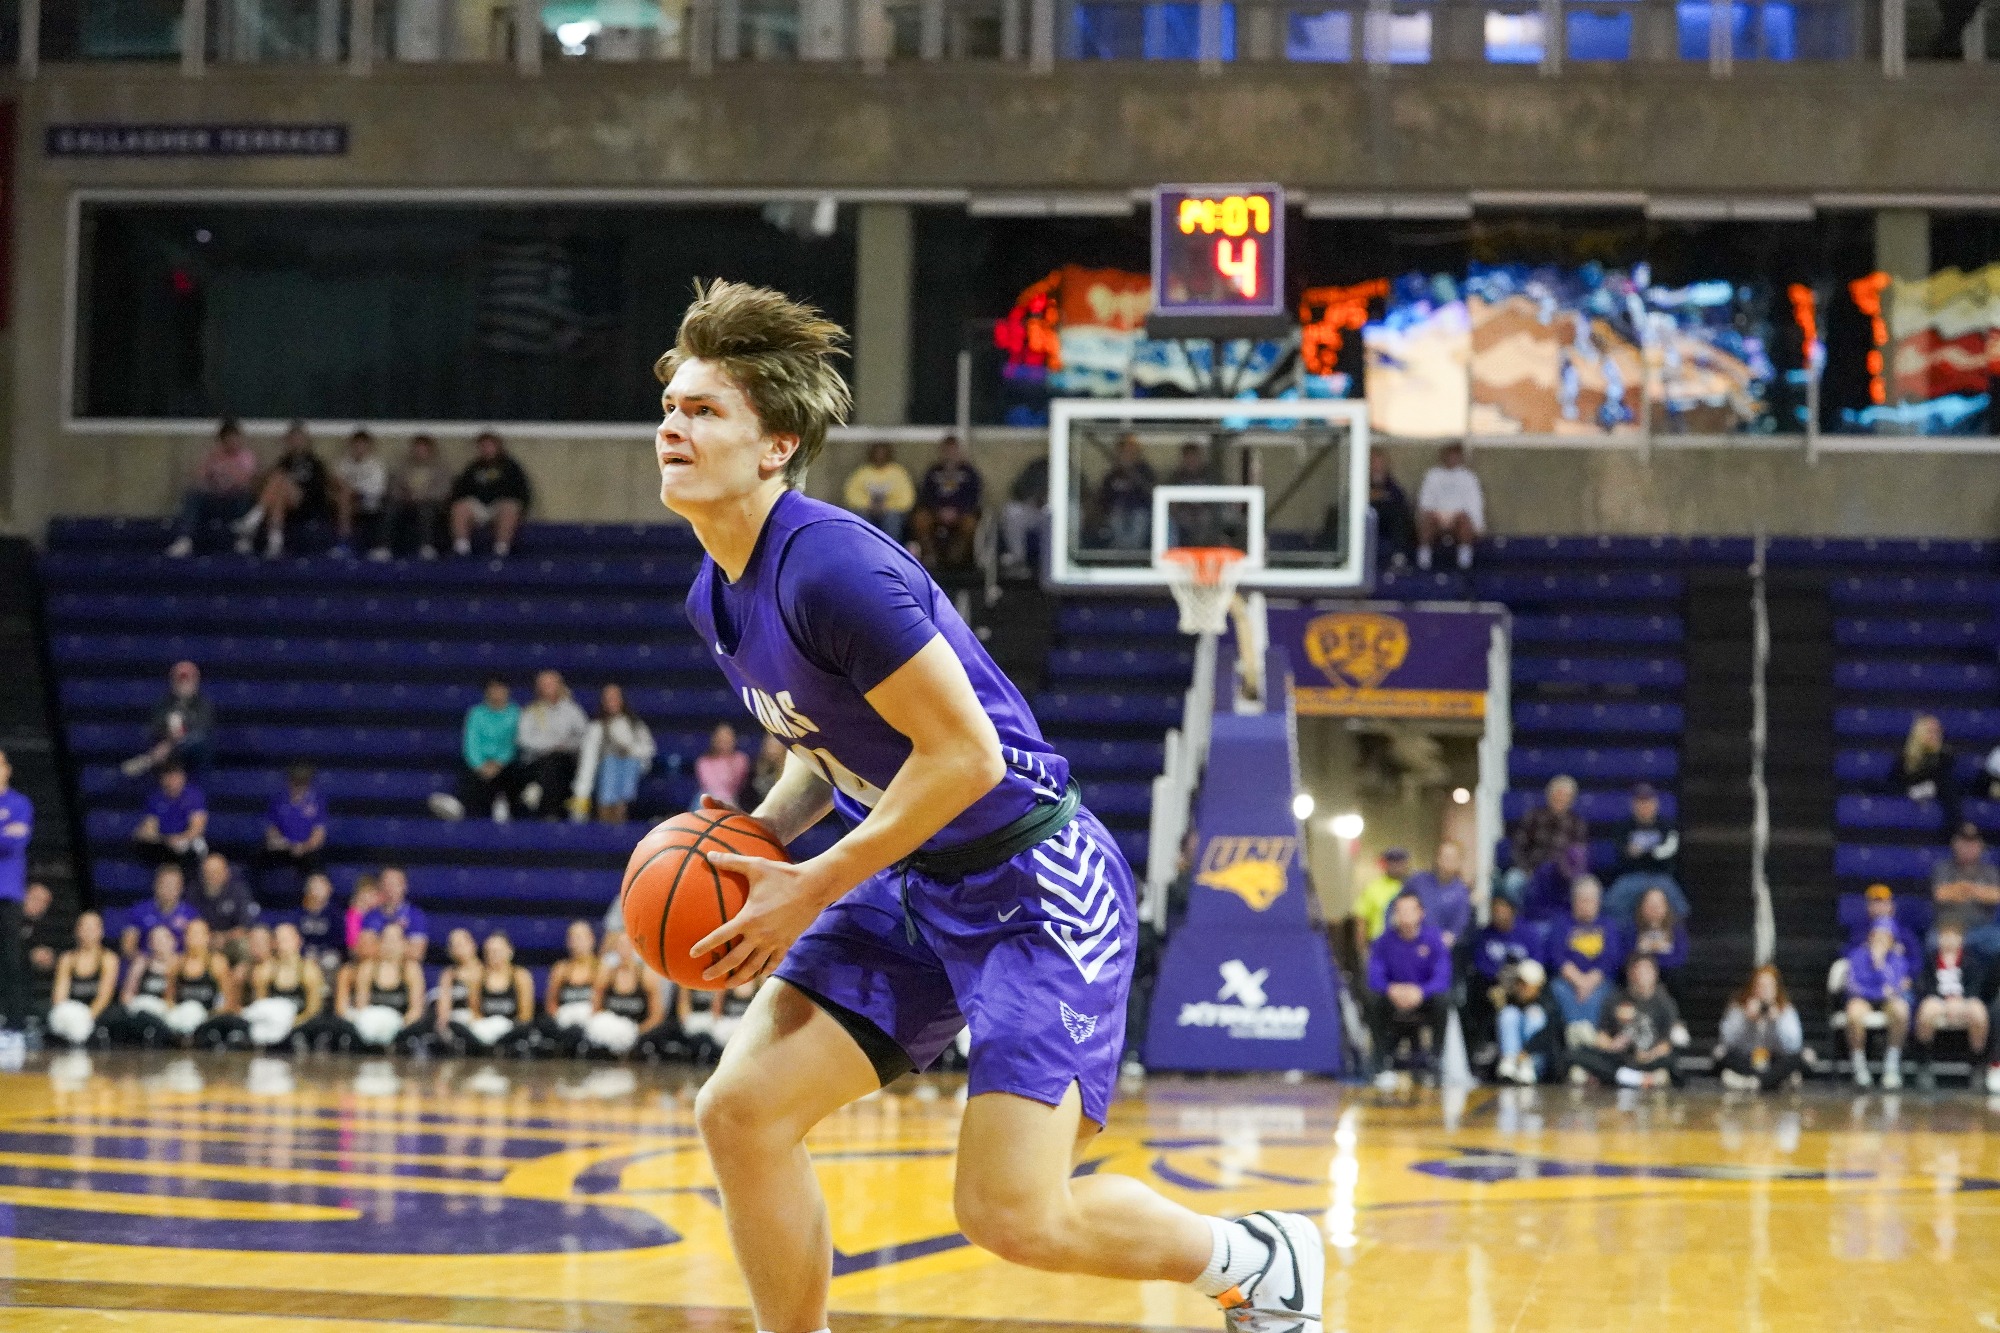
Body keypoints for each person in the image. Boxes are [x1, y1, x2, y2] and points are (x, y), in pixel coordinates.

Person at [652, 280, 1321, 1331]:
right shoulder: (713, 592)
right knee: (739, 1111)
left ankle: (1253, 1257)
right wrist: (758, 842)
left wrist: (812, 883)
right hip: (916, 874)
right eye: (670, 408)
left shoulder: (829, 567)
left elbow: (961, 758)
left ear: (774, 446)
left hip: (1033, 879)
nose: (672, 427)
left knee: (1010, 1213)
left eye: (702, 411)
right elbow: (826, 749)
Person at [1365, 893, 1452, 1084]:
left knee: (1443, 999)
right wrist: (1391, 989)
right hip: (1393, 998)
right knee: (1372, 998)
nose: (1403, 915)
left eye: (1408, 910)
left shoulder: (1433, 939)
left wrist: (1421, 991)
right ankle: (1379, 1059)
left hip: (1422, 999)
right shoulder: (1383, 942)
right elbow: (1374, 976)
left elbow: (1442, 977)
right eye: (1399, 911)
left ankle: (1435, 1059)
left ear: (1421, 913)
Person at [1570, 954, 1682, 1089]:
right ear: (1629, 973)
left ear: (1655, 973)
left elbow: (1667, 1043)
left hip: (1648, 1058)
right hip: (1619, 1058)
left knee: (1671, 1060)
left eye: (1646, 970)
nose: (1641, 976)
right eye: (1637, 970)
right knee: (1576, 1055)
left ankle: (1620, 1077)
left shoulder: (1664, 1003)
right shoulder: (1615, 999)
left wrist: (1648, 1055)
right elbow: (1602, 1034)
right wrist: (1611, 1045)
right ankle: (1634, 1079)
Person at [233, 421, 332, 559]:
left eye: (299, 439)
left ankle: (253, 518)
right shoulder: (284, 461)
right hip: (286, 503)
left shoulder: (315, 462)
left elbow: (319, 488)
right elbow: (267, 481)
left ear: (306, 441)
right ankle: (275, 543)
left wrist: (295, 488)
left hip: (306, 502)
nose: (296, 442)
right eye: (293, 439)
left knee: (280, 478)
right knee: (278, 496)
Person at [432, 679, 525, 822]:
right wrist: (479, 765)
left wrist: (499, 763)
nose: (496, 693)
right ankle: (461, 809)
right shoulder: (476, 713)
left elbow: (515, 742)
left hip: (506, 764)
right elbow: (471, 743)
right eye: (493, 689)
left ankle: (506, 810)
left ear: (507, 691)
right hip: (481, 764)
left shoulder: (517, 713)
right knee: (473, 777)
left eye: (500, 689)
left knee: (512, 776)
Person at [166, 418, 261, 557]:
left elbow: (245, 481)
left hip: (235, 501)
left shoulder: (247, 456)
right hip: (215, 498)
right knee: (193, 495)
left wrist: (228, 466)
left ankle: (243, 540)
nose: (233, 443)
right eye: (229, 439)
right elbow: (199, 478)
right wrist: (211, 468)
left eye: (235, 438)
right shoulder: (213, 455)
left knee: (246, 496)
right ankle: (184, 540)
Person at [1544, 876, 1623, 1041]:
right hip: (1567, 981)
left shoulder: (1608, 925)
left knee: (1599, 996)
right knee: (1558, 989)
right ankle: (1578, 1038)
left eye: (1592, 900)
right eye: (1583, 900)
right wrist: (1579, 981)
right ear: (1574, 901)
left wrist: (1589, 982)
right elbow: (1557, 956)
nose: (1588, 905)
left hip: (1600, 982)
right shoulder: (1562, 923)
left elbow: (1611, 959)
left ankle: (1587, 1039)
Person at [1913, 922, 1988, 1087]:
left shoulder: (1971, 960)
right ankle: (1924, 1064)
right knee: (1926, 1010)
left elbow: (1976, 986)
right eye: (1945, 937)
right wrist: (1945, 1001)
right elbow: (1924, 986)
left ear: (1961, 939)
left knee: (1979, 1012)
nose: (1949, 941)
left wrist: (1960, 1000)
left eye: (1953, 937)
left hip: (1964, 1001)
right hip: (1938, 1000)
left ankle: (1977, 1065)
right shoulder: (1931, 960)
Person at [1465, 894, 1534, 1067]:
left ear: (1512, 911)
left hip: (1523, 987)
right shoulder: (1484, 935)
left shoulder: (1528, 933)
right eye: (1495, 910)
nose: (1499, 914)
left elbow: (1536, 965)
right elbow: (1480, 966)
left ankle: (1529, 1057)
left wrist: (1516, 981)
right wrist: (1500, 979)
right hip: (1494, 987)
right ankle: (1484, 1045)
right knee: (1479, 990)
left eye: (1503, 909)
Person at [1844, 920, 1914, 1089]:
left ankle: (1891, 1066)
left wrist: (1881, 966)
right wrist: (1880, 992)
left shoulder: (1897, 960)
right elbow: (1852, 986)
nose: (1880, 941)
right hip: (1864, 999)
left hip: (1887, 1002)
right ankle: (1859, 1067)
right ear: (1870, 937)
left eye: (1885, 938)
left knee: (1901, 1010)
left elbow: (1898, 987)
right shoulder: (1857, 956)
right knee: (1853, 1012)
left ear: (1892, 940)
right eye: (1877, 936)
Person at [572, 684, 656, 823]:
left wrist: (629, 750)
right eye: (608, 698)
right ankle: (606, 815)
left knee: (626, 763)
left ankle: (621, 812)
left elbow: (648, 750)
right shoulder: (596, 728)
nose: (612, 702)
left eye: (615, 698)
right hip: (604, 778)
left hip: (632, 777)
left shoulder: (635, 726)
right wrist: (581, 796)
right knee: (611, 764)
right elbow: (588, 763)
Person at [1604, 784, 1687, 923]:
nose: (1644, 806)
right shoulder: (1622, 826)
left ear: (1655, 804)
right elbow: (1623, 854)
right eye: (1640, 802)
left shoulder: (1668, 826)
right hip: (1631, 877)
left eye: (1648, 802)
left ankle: (1673, 941)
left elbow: (1669, 852)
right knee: (1611, 904)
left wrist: (1643, 851)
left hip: (1660, 876)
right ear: (1633, 804)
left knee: (1680, 908)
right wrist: (1651, 851)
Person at [1716, 965, 1805, 1092]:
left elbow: (1794, 1046)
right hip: (1747, 1059)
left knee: (1796, 1059)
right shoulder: (1738, 1008)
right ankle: (1772, 1082)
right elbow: (1727, 1042)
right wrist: (1746, 1021)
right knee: (1724, 1056)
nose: (1764, 991)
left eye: (1769, 986)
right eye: (1760, 986)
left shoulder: (1786, 1010)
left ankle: (1755, 1082)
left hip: (1774, 1060)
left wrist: (1777, 1023)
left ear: (1776, 988)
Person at [120, 661, 215, 778]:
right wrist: (169, 734)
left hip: (194, 758)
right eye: (180, 681)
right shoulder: (163, 704)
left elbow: (201, 730)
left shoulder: (203, 705)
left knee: (197, 740)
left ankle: (150, 760)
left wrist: (172, 744)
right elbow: (155, 727)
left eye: (188, 680)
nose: (184, 684)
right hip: (167, 758)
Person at [1509, 775, 1586, 918]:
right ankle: (1520, 923)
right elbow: (1518, 847)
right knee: (1512, 882)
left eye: (1565, 796)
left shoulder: (1576, 823)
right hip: (1532, 869)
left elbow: (1579, 856)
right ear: (1549, 795)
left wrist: (1567, 873)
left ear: (1571, 799)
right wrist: (1526, 869)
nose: (1561, 799)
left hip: (1562, 875)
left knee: (1584, 888)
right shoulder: (1533, 816)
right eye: (1557, 794)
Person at [516, 670, 588, 820]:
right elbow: (524, 739)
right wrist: (552, 746)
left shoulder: (572, 711)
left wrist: (565, 746)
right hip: (537, 763)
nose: (547, 688)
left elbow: (584, 737)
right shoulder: (531, 711)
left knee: (557, 765)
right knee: (550, 765)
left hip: (565, 762)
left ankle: (549, 809)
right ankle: (550, 813)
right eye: (543, 685)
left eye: (550, 684)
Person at [589, 935, 675, 1058]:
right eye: (620, 946)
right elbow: (595, 1010)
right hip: (611, 1032)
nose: (624, 950)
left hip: (640, 1032)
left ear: (635, 949)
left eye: (627, 946)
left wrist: (635, 1032)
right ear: (615, 949)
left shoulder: (646, 975)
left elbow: (657, 1016)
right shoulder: (607, 975)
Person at [449, 431, 532, 558]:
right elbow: (460, 492)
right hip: (479, 507)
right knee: (459, 507)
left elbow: (521, 493)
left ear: (497, 446)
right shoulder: (473, 467)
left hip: (499, 507)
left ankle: (501, 549)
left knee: (510, 507)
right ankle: (462, 548)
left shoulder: (511, 467)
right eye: (483, 446)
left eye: (489, 445)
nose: (486, 449)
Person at [907, 434, 983, 571]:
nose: (950, 454)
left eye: (953, 450)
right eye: (947, 450)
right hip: (936, 512)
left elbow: (974, 497)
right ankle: (930, 556)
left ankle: (956, 561)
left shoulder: (969, 473)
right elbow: (926, 495)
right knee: (920, 520)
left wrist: (957, 511)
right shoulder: (933, 471)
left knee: (970, 524)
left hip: (961, 513)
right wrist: (939, 511)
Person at [243, 921, 324, 1049]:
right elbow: (260, 1006)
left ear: (298, 941)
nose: (283, 944)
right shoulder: (265, 970)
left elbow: (313, 1010)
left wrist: (291, 1024)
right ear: (274, 944)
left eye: (287, 939)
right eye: (279, 940)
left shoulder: (309, 970)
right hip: (271, 1025)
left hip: (298, 1025)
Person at [46, 911, 120, 1048]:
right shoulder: (67, 959)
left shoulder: (108, 958)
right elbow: (59, 996)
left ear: (101, 932)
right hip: (73, 1009)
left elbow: (104, 997)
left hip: (97, 1012)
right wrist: (65, 1015)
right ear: (77, 931)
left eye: (92, 928)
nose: (88, 933)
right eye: (84, 928)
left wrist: (86, 1019)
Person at [1931, 822, 2000, 965]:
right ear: (1955, 844)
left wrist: (1966, 889)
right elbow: (1941, 894)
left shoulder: (1989, 871)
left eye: (1973, 844)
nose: (1968, 848)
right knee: (1932, 943)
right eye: (1964, 843)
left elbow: (1996, 896)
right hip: (1949, 928)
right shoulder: (1944, 868)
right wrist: (1978, 892)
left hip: (1982, 929)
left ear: (1980, 846)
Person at [350, 922, 426, 1049]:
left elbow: (416, 1010)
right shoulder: (368, 967)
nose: (390, 944)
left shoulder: (411, 969)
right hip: (371, 1024)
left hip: (400, 1027)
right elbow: (361, 1005)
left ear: (404, 943)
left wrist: (398, 1028)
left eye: (395, 939)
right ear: (379, 942)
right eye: (386, 939)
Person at [0, 750, 32, 1044]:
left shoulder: (20, 803)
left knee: (10, 958)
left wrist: (8, 835)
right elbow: (7, 838)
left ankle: (15, 1023)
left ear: (8, 769)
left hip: (8, 892)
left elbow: (16, 841)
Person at [535, 920, 602, 1056]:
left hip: (589, 1020)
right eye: (572, 938)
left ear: (591, 939)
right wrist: (559, 1018)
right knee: (543, 1023)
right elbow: (551, 1003)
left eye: (580, 938)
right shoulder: (561, 968)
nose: (576, 943)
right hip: (564, 1020)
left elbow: (601, 1002)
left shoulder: (601, 968)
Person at [1414, 441, 1484, 571]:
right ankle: (1424, 558)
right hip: (1437, 516)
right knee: (1428, 518)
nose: (1452, 458)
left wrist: (1478, 526)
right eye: (1449, 455)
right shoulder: (1432, 475)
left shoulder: (1469, 477)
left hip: (1459, 518)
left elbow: (1474, 503)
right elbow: (1425, 502)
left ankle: (1464, 560)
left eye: (1455, 455)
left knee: (1464, 518)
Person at [133, 762, 207, 884]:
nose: (173, 781)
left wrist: (179, 839)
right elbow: (150, 827)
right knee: (140, 841)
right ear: (162, 779)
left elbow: (197, 828)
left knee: (190, 848)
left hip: (186, 842)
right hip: (164, 843)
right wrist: (162, 839)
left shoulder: (194, 795)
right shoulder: (156, 798)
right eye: (169, 777)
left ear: (183, 777)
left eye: (176, 776)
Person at [463, 932, 535, 1056]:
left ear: (509, 951)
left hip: (511, 1028)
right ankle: (487, 1046)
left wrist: (506, 1027)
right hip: (485, 1028)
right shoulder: (478, 976)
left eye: (498, 951)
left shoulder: (520, 975)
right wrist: (486, 1026)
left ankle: (496, 1046)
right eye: (490, 951)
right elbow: (474, 1012)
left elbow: (526, 1014)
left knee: (527, 1028)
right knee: (459, 1026)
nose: (494, 955)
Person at [260, 763, 328, 893]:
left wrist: (303, 847)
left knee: (317, 862)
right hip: (283, 848)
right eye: (295, 782)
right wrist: (282, 843)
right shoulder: (279, 799)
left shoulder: (317, 800)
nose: (298, 787)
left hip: (307, 850)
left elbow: (319, 835)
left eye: (302, 783)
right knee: (259, 858)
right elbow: (271, 830)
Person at [387, 434, 452, 558]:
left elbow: (444, 491)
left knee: (426, 508)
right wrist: (406, 496)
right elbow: (394, 487)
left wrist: (423, 496)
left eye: (423, 448)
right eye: (417, 448)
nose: (420, 451)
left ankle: (426, 546)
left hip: (431, 503)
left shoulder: (440, 468)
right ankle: (384, 547)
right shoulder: (403, 467)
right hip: (406, 502)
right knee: (390, 507)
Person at [114, 924, 180, 1047]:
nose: (160, 943)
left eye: (163, 939)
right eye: (155, 940)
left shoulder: (179, 963)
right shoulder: (141, 963)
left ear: (173, 942)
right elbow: (127, 992)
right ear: (150, 944)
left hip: (166, 1011)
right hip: (143, 1008)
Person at [332, 428, 390, 559]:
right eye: (356, 445)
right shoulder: (344, 463)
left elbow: (377, 490)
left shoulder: (376, 465)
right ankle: (343, 542)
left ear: (369, 446)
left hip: (369, 501)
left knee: (345, 497)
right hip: (346, 501)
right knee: (343, 498)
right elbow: (335, 481)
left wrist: (351, 489)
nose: (359, 448)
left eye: (362, 445)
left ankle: (344, 542)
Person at [1402, 840, 1472, 949]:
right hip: (1408, 944)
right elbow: (1396, 905)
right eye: (1444, 856)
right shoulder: (1417, 881)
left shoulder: (1461, 892)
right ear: (1437, 858)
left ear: (1459, 862)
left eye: (1452, 858)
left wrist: (1438, 945)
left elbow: (1457, 927)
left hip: (1438, 950)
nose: (1447, 861)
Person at [1093, 433, 1156, 552]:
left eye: (1131, 451)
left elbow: (1151, 495)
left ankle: (1133, 555)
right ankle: (1120, 555)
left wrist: (1135, 476)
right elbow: (1103, 499)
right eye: (1124, 451)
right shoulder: (1112, 475)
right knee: (1115, 518)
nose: (1128, 454)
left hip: (1140, 513)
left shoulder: (1145, 471)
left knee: (1139, 518)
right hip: (1117, 514)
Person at [1900, 713, 1961, 835]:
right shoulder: (1904, 758)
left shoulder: (1945, 757)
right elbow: (1897, 783)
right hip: (1907, 802)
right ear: (1919, 733)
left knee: (1946, 784)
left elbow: (1939, 781)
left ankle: (1953, 831)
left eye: (1938, 731)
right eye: (1930, 731)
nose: (1935, 735)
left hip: (1938, 797)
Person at [119, 864, 199, 958]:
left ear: (181, 888)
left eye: (174, 884)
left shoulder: (191, 914)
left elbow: (198, 949)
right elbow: (127, 947)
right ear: (156, 885)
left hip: (179, 966)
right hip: (147, 964)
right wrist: (146, 961)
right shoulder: (139, 911)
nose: (170, 888)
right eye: (166, 884)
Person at [841, 442, 916, 540]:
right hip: (866, 511)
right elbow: (850, 495)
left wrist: (886, 507)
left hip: (890, 512)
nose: (879, 456)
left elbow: (907, 499)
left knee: (892, 519)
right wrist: (869, 505)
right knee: (859, 517)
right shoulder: (862, 472)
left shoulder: (898, 473)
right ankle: (864, 547)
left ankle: (889, 549)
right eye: (877, 453)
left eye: (883, 453)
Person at [1627, 886, 1689, 994]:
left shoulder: (1677, 931)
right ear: (1642, 907)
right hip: (1639, 975)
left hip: (1668, 976)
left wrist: (1655, 965)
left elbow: (1680, 958)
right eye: (1650, 905)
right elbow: (1628, 956)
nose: (1654, 909)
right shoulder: (1632, 930)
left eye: (1658, 905)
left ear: (1666, 907)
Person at [1349, 847, 1412, 953]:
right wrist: (1361, 947)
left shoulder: (1412, 887)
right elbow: (1361, 918)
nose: (1396, 866)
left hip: (1408, 943)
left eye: (1400, 862)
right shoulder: (1373, 888)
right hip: (1379, 943)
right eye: (1392, 862)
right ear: (1385, 864)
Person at [360, 866, 429, 960]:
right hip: (378, 965)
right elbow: (365, 950)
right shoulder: (371, 915)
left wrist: (382, 944)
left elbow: (417, 953)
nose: (390, 888)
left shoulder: (415, 916)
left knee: (412, 967)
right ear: (380, 886)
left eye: (395, 884)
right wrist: (400, 945)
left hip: (403, 966)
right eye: (387, 883)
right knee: (365, 967)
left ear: (404, 886)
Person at [998, 455, 1049, 580]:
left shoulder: (1069, 467)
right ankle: (1017, 560)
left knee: (1057, 514)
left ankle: (1056, 565)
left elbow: (1082, 494)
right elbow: (1018, 490)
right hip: (1036, 511)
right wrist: (1034, 498)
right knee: (1012, 511)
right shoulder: (1038, 467)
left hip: (1058, 515)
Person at [193, 851, 260, 946]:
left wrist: (224, 938)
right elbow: (190, 925)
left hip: (231, 941)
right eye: (208, 872)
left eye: (216, 872)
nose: (212, 876)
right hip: (203, 941)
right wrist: (208, 938)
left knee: (243, 944)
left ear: (226, 873)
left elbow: (246, 927)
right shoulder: (194, 893)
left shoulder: (239, 892)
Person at [1365, 447, 1415, 569]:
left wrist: (1383, 496)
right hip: (1366, 518)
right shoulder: (1360, 481)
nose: (1376, 465)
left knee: (1399, 515)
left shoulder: (1391, 484)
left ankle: (1398, 557)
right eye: (1373, 462)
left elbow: (1400, 500)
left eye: (1379, 462)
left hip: (1387, 521)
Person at [21, 882, 64, 1022]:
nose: (39, 905)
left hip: (32, 981)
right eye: (35, 899)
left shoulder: (46, 926)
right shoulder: (8, 919)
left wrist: (49, 958)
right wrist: (29, 955)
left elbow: (58, 954)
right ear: (24, 897)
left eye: (44, 903)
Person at [1851, 882, 1923, 963]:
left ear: (1891, 906)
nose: (1880, 908)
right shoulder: (1860, 931)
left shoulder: (1904, 933)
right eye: (1876, 903)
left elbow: (1916, 961)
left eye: (1884, 903)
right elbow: (1848, 953)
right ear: (1869, 907)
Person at [288, 872, 344, 974]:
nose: (319, 891)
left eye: (322, 887)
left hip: (328, 952)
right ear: (308, 890)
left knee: (330, 961)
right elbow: (295, 938)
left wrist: (321, 953)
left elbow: (339, 941)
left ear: (329, 889)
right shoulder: (300, 913)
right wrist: (305, 953)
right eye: (316, 887)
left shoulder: (335, 914)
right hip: (305, 953)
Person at [694, 722, 750, 809]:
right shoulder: (704, 761)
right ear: (715, 740)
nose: (725, 741)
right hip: (708, 799)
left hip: (732, 800)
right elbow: (711, 786)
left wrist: (728, 762)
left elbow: (737, 785)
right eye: (722, 738)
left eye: (728, 738)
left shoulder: (741, 759)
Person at [746, 732, 788, 811]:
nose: (771, 750)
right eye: (769, 744)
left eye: (775, 745)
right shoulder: (754, 769)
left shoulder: (790, 771)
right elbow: (748, 798)